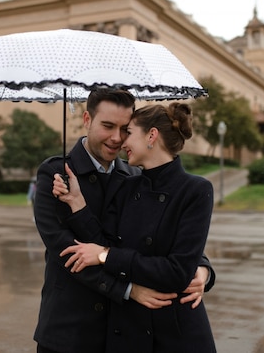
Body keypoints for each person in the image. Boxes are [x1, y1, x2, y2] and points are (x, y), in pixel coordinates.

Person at [33, 90, 215, 353]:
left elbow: (168, 239)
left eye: (125, 129)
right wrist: (129, 289)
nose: (117, 138)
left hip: (126, 329)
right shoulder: (56, 174)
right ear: (87, 119)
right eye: (108, 126)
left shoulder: (133, 175)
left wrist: (202, 269)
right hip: (72, 328)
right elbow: (68, 252)